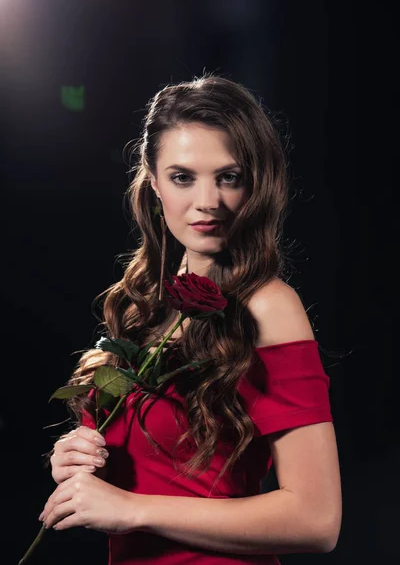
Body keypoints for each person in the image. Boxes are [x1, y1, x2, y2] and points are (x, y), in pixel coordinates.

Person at [40, 74, 342, 564]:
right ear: (154, 183)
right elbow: (157, 468)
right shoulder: (143, 303)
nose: (208, 202)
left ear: (256, 183)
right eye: (183, 177)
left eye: (229, 176)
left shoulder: (266, 305)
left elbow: (317, 519)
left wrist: (132, 508)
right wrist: (79, 464)